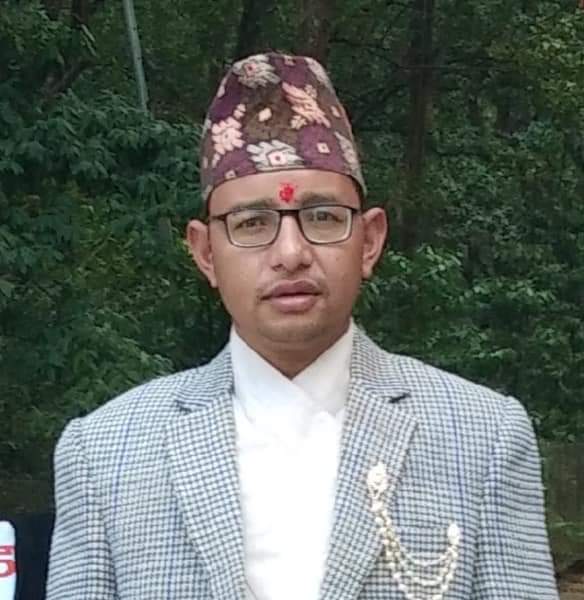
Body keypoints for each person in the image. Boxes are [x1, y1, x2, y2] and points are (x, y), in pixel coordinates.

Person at [46, 52, 559, 600]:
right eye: (251, 223)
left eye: (322, 218)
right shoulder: (107, 452)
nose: (291, 253)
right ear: (205, 253)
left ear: (370, 241)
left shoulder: (481, 437)